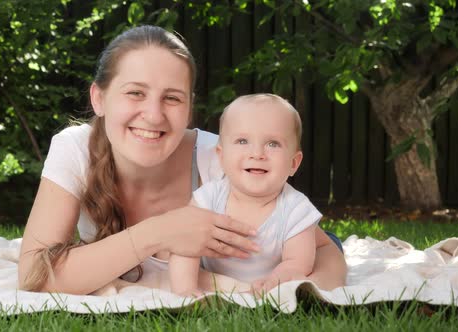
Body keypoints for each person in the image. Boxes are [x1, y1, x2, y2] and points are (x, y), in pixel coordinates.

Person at [18, 25, 346, 295]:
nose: (153, 114)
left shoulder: (217, 159)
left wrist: (305, 293)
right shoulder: (76, 149)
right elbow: (34, 275)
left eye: (172, 98)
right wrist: (160, 232)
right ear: (99, 98)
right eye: (135, 93)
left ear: (189, 107)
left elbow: (323, 247)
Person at [169, 94, 343, 296]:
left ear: (294, 163)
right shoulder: (207, 198)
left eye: (273, 144)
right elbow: (184, 248)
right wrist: (185, 291)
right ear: (221, 156)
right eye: (242, 141)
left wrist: (276, 282)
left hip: (266, 282)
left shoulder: (296, 209)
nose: (257, 153)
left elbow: (296, 263)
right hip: (218, 281)